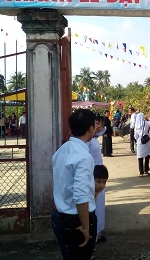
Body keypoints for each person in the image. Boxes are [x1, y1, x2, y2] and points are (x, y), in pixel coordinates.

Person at [52, 109, 97, 260]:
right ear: (90, 128)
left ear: (71, 128)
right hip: (77, 219)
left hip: (62, 217)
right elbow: (80, 195)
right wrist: (85, 227)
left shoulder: (61, 151)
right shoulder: (84, 157)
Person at [89, 115, 106, 243]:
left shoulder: (94, 138)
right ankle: (93, 234)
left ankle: (98, 232)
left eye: (100, 124)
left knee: (99, 204)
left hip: (98, 175)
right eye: (96, 123)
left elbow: (103, 130)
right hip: (93, 177)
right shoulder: (88, 140)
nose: (99, 126)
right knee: (94, 205)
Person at [134, 112, 150, 177]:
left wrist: (138, 139)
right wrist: (149, 118)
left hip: (140, 141)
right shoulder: (146, 123)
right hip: (147, 141)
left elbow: (135, 136)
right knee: (147, 155)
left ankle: (141, 172)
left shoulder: (136, 126)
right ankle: (146, 170)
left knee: (140, 157)